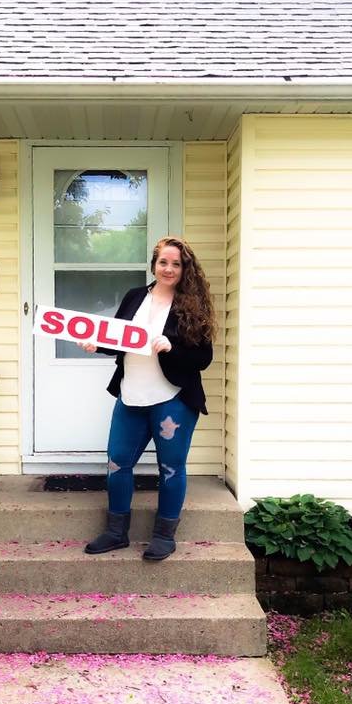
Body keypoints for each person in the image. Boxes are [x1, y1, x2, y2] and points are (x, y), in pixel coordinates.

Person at [79, 237, 216, 561]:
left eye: (176, 264)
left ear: (185, 269)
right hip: (131, 396)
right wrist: (97, 344)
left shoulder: (191, 306)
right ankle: (116, 532)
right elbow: (118, 338)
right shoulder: (135, 296)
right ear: (154, 264)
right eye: (163, 262)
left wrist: (172, 347)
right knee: (117, 463)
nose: (168, 269)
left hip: (173, 400)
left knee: (170, 468)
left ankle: (164, 536)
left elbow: (203, 358)